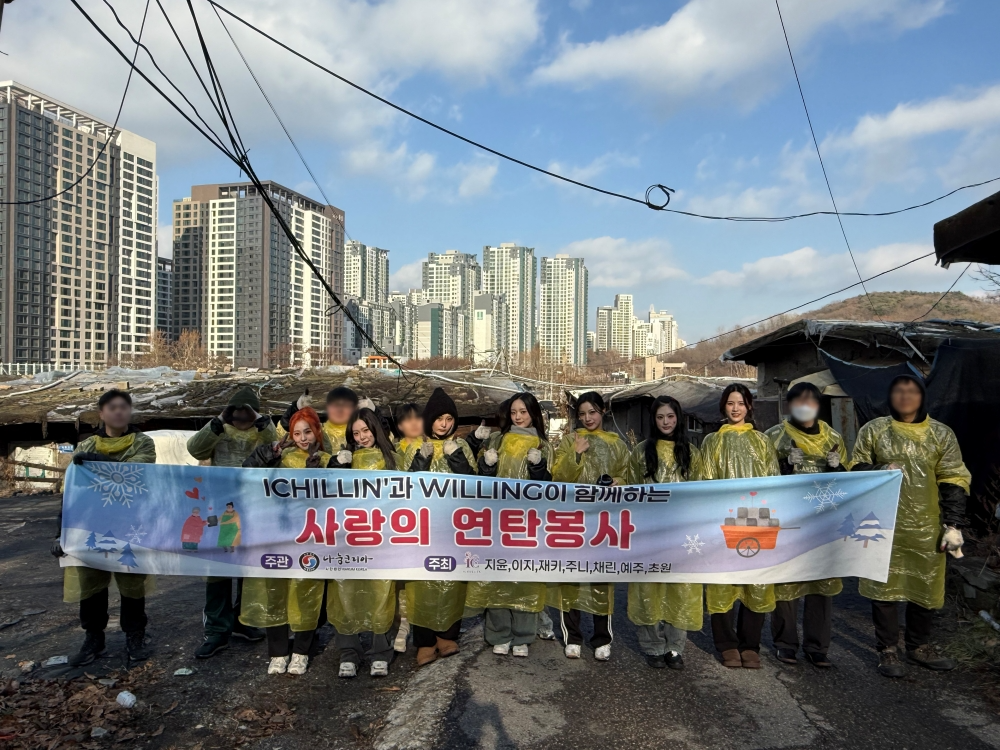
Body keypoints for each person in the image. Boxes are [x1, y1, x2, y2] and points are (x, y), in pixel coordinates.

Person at [850, 374, 970, 678]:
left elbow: (953, 477)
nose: (905, 396)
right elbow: (856, 468)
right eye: (899, 391)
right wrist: (880, 468)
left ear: (922, 396)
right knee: (883, 587)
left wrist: (953, 523)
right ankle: (887, 649)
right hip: (881, 524)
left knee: (925, 584)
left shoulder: (941, 434)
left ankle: (919, 646)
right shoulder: (875, 431)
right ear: (891, 397)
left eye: (912, 390)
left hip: (926, 525)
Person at [57, 389, 157, 666]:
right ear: (102, 414)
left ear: (130, 412)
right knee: (91, 585)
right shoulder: (86, 447)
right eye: (112, 407)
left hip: (131, 523)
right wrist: (60, 532)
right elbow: (72, 493)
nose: (118, 411)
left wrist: (98, 464)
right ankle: (93, 638)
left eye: (124, 406)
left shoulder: (143, 443)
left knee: (132, 584)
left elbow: (136, 474)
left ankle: (135, 636)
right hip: (92, 525)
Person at [241, 407, 332, 675]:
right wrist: (267, 455)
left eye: (308, 431)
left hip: (311, 538)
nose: (303, 438)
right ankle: (278, 651)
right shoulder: (279, 459)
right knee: (275, 591)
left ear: (317, 431)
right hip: (276, 535)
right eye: (297, 433)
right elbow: (247, 474)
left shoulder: (328, 460)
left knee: (307, 592)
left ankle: (302, 651)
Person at [764, 382, 849, 668]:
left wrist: (838, 469)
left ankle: (817, 647)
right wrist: (784, 467)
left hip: (824, 523)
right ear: (789, 405)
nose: (804, 405)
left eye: (810, 400)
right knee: (786, 584)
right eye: (798, 400)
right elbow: (760, 481)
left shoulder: (834, 437)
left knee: (821, 584)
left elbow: (849, 486)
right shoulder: (774, 437)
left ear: (818, 405)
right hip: (788, 521)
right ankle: (785, 643)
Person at [186, 387, 273, 658]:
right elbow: (194, 448)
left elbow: (276, 447)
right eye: (238, 408)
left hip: (254, 508)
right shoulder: (219, 430)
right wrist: (218, 421)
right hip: (222, 509)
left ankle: (243, 620)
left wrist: (262, 421)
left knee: (248, 570)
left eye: (248, 409)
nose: (242, 414)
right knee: (219, 571)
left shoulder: (263, 431)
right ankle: (216, 630)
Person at [701, 383, 780, 670]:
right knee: (722, 582)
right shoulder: (712, 442)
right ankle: (726, 644)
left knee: (755, 582)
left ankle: (750, 644)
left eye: (741, 403)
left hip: (758, 520)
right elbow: (705, 482)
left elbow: (773, 479)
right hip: (724, 520)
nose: (736, 408)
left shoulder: (762, 441)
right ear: (723, 406)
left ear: (749, 407)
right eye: (731, 403)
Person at [468, 393, 553, 658]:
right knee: (498, 575)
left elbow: (551, 486)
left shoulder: (544, 446)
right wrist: (487, 464)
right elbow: (482, 480)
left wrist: (538, 467)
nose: (518, 417)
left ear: (533, 414)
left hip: (529, 521)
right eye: (514, 412)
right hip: (497, 519)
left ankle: (524, 635)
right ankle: (499, 633)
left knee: (526, 577)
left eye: (524, 412)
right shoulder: (497, 439)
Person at [550, 391, 631, 661]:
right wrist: (575, 453)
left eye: (593, 412)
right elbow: (558, 478)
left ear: (603, 412)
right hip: (572, 519)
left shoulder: (617, 444)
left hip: (603, 522)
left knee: (601, 578)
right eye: (582, 413)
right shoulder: (567, 442)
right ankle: (572, 636)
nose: (588, 418)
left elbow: (629, 476)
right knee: (570, 576)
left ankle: (602, 638)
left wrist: (620, 481)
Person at [401, 387, 477, 667]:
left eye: (449, 418)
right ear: (429, 419)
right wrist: (422, 458)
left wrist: (455, 456)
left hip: (454, 529)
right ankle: (424, 641)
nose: (444, 424)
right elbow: (404, 487)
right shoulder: (414, 448)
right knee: (421, 584)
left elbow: (474, 484)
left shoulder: (463, 447)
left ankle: (447, 635)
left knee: (451, 583)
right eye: (439, 418)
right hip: (421, 529)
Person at [628, 396, 703, 670]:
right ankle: (652, 646)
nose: (666, 422)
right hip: (649, 532)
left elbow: (703, 492)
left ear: (678, 418)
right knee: (648, 588)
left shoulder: (692, 453)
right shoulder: (639, 452)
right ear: (653, 420)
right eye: (660, 417)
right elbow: (630, 491)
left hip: (683, 534)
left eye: (670, 416)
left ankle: (674, 647)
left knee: (680, 588)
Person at [327, 408, 402, 678]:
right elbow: (324, 493)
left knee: (381, 592)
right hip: (348, 537)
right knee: (344, 592)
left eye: (366, 431)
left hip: (382, 537)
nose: (361, 437)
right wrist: (337, 467)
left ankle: (380, 651)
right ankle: (349, 651)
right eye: (355, 433)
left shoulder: (393, 459)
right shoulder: (343, 458)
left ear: (376, 430)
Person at [278, 385, 359, 453]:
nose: (340, 410)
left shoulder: (360, 430)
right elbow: (285, 428)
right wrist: (296, 408)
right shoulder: (320, 429)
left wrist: (370, 413)